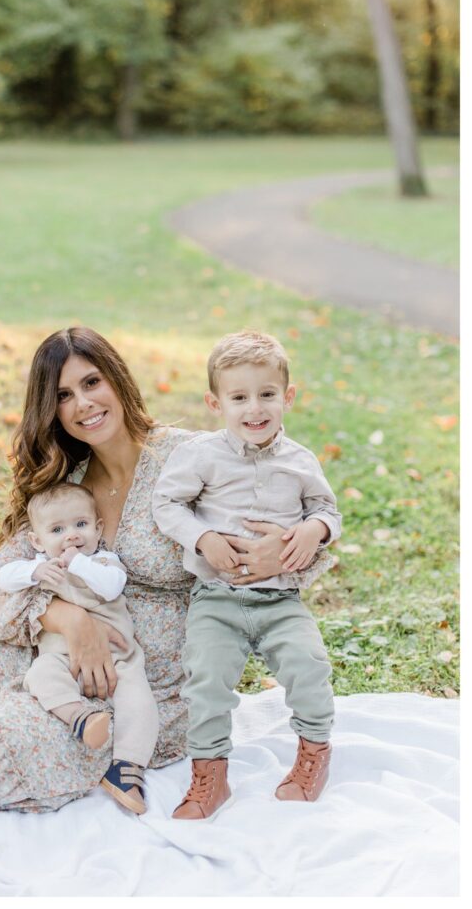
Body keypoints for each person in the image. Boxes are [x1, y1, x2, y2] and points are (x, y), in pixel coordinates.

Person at [0, 326, 335, 814]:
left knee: (10, 740)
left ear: (117, 381)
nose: (82, 403)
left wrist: (284, 551)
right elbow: (3, 572)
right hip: (61, 652)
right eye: (62, 395)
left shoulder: (193, 456)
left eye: (91, 382)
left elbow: (288, 512)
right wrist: (69, 620)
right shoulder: (70, 480)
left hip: (154, 680)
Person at [152, 329, 341, 821]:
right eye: (239, 397)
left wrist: (314, 529)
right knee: (205, 678)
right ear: (216, 403)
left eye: (267, 394)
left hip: (280, 601)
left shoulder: (300, 461)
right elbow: (166, 502)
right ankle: (210, 776)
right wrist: (203, 538)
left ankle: (314, 754)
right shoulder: (202, 456)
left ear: (288, 396)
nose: (254, 409)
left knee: (310, 667)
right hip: (218, 597)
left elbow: (327, 509)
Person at [0, 480, 159, 814]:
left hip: (118, 659)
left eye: (81, 525)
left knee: (138, 699)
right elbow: (3, 578)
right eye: (58, 529)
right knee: (41, 675)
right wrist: (35, 570)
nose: (71, 536)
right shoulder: (41, 564)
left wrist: (77, 563)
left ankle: (127, 769)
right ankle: (81, 717)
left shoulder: (103, 562)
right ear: (37, 541)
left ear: (99, 529)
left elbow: (112, 587)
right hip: (60, 655)